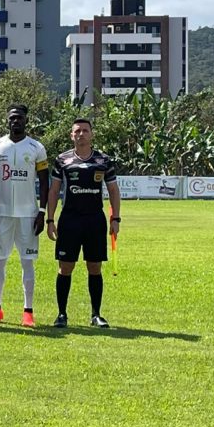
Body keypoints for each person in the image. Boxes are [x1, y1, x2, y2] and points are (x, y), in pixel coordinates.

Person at [46, 118, 121, 328]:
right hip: (69, 220)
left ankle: (96, 314)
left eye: (85, 131)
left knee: (94, 267)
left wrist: (115, 218)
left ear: (92, 134)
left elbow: (114, 190)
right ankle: (61, 314)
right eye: (77, 131)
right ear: (71, 135)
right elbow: (53, 191)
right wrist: (50, 220)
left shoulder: (103, 160)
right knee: (65, 267)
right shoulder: (62, 160)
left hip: (95, 221)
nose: (81, 134)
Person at [0, 104, 49, 328]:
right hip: (2, 214)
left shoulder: (36, 147)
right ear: (7, 121)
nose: (15, 121)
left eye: (19, 118)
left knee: (27, 262)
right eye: (12, 118)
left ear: (26, 120)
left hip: (28, 215)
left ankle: (28, 312)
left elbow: (45, 181)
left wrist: (42, 212)